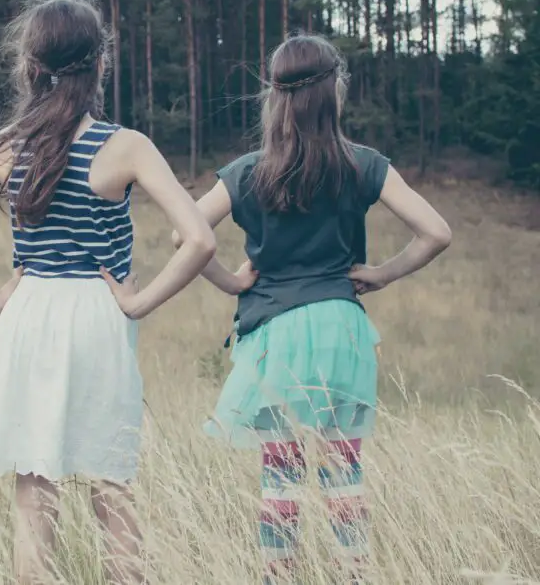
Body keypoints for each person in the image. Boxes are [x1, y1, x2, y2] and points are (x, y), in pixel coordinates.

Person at [0, 0, 217, 585]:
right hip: (98, 316)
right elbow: (200, 240)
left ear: (30, 67)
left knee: (33, 492)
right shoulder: (124, 145)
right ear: (101, 63)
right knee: (112, 487)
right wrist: (139, 301)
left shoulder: (8, 148)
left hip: (28, 315)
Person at [173, 33, 452, 583]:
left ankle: (279, 576)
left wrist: (231, 281)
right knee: (343, 475)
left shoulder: (248, 171)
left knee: (280, 480)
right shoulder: (364, 164)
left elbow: (188, 236)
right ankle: (354, 575)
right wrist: (382, 273)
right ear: (335, 91)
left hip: (276, 339)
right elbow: (436, 233)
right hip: (342, 333)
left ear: (273, 97)